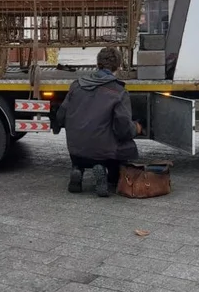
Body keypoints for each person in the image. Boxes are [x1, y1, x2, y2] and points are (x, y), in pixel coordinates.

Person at [54, 46, 142, 197]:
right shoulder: (119, 92)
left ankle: (78, 169)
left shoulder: (76, 85)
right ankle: (110, 176)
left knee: (85, 144)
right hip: (102, 150)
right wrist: (136, 128)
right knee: (127, 145)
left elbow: (61, 115)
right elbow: (123, 129)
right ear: (118, 66)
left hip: (75, 149)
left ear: (97, 64)